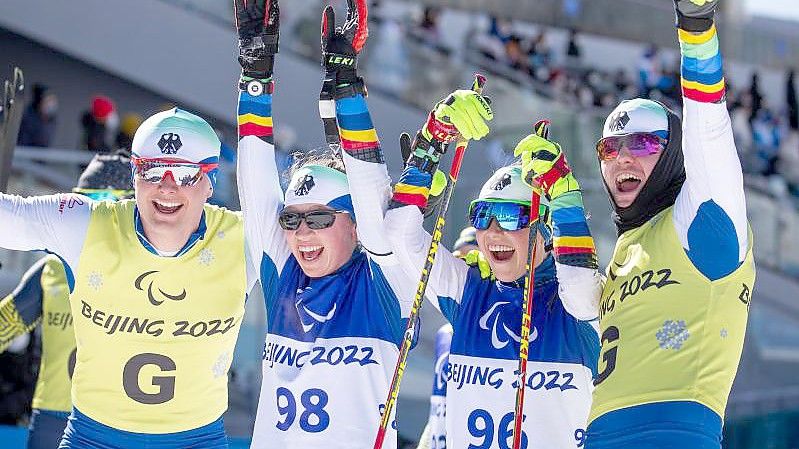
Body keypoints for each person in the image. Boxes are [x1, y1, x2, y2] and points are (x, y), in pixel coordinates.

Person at [351, 85, 602, 447]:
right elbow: (400, 234)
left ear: (546, 229)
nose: (492, 231)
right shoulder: (470, 292)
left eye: (510, 216)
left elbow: (579, 286)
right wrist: (432, 139)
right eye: (482, 216)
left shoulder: (579, 303)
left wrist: (564, 194)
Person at [0, 103, 258, 446]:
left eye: (184, 174)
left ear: (210, 181)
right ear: (135, 175)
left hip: (196, 440)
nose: (167, 187)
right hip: (91, 437)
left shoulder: (245, 239)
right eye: (153, 171)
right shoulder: (85, 224)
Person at [574, 1, 756, 447]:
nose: (623, 158)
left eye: (642, 143)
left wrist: (696, 29)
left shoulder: (703, 225)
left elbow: (709, 132)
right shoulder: (626, 246)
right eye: (609, 149)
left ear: (674, 152)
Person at [233, 1, 415, 447]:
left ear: (353, 225)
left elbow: (371, 200)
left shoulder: (386, 283)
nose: (300, 233)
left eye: (318, 218)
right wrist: (256, 75)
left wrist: (349, 92)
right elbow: (256, 188)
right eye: (292, 220)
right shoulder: (284, 272)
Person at [0, 153, 133, 449]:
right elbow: (4, 325)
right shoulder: (52, 268)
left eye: (100, 202)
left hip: (116, 420)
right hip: (53, 415)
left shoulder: (147, 274)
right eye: (82, 202)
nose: (89, 216)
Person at [17, 83, 57, 148]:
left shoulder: (51, 120)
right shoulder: (27, 119)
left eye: (52, 100)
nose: (51, 104)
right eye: (48, 101)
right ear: (39, 103)